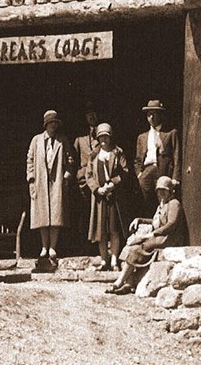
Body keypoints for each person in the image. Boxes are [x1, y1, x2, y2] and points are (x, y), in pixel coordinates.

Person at [106, 176, 185, 295]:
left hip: (167, 239)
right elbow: (154, 222)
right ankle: (129, 283)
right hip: (158, 237)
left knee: (137, 248)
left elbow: (171, 224)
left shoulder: (174, 204)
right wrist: (140, 220)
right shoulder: (162, 205)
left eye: (164, 190)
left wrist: (150, 234)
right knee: (129, 248)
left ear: (170, 190)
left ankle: (119, 282)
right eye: (159, 190)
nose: (161, 193)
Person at [26, 109, 75, 265]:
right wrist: (31, 179)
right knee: (42, 215)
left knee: (56, 215)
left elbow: (70, 160)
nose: (54, 126)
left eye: (55, 123)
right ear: (46, 124)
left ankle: (53, 247)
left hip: (57, 181)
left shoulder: (62, 140)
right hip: (40, 180)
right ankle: (44, 247)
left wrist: (66, 176)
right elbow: (30, 160)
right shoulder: (36, 140)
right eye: (51, 123)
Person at [86, 123, 129, 271]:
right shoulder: (94, 155)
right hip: (100, 198)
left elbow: (125, 171)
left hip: (114, 197)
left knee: (114, 229)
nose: (104, 139)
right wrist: (97, 189)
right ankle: (104, 260)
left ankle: (114, 260)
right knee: (101, 231)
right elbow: (89, 175)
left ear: (110, 137)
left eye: (106, 136)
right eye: (101, 136)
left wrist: (114, 183)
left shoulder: (117, 152)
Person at [134, 100, 181, 217]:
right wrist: (140, 174)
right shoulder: (142, 137)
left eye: (154, 113)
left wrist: (175, 178)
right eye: (149, 114)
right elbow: (138, 160)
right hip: (146, 172)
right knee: (147, 204)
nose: (152, 117)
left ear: (160, 115)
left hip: (163, 171)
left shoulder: (170, 133)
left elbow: (176, 156)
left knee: (164, 203)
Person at [72, 102, 100, 252]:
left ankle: (98, 243)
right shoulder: (80, 139)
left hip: (99, 179)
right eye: (89, 115)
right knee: (84, 210)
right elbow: (72, 159)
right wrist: (78, 173)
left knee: (98, 212)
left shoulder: (103, 136)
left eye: (94, 114)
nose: (92, 117)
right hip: (83, 179)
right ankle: (83, 243)